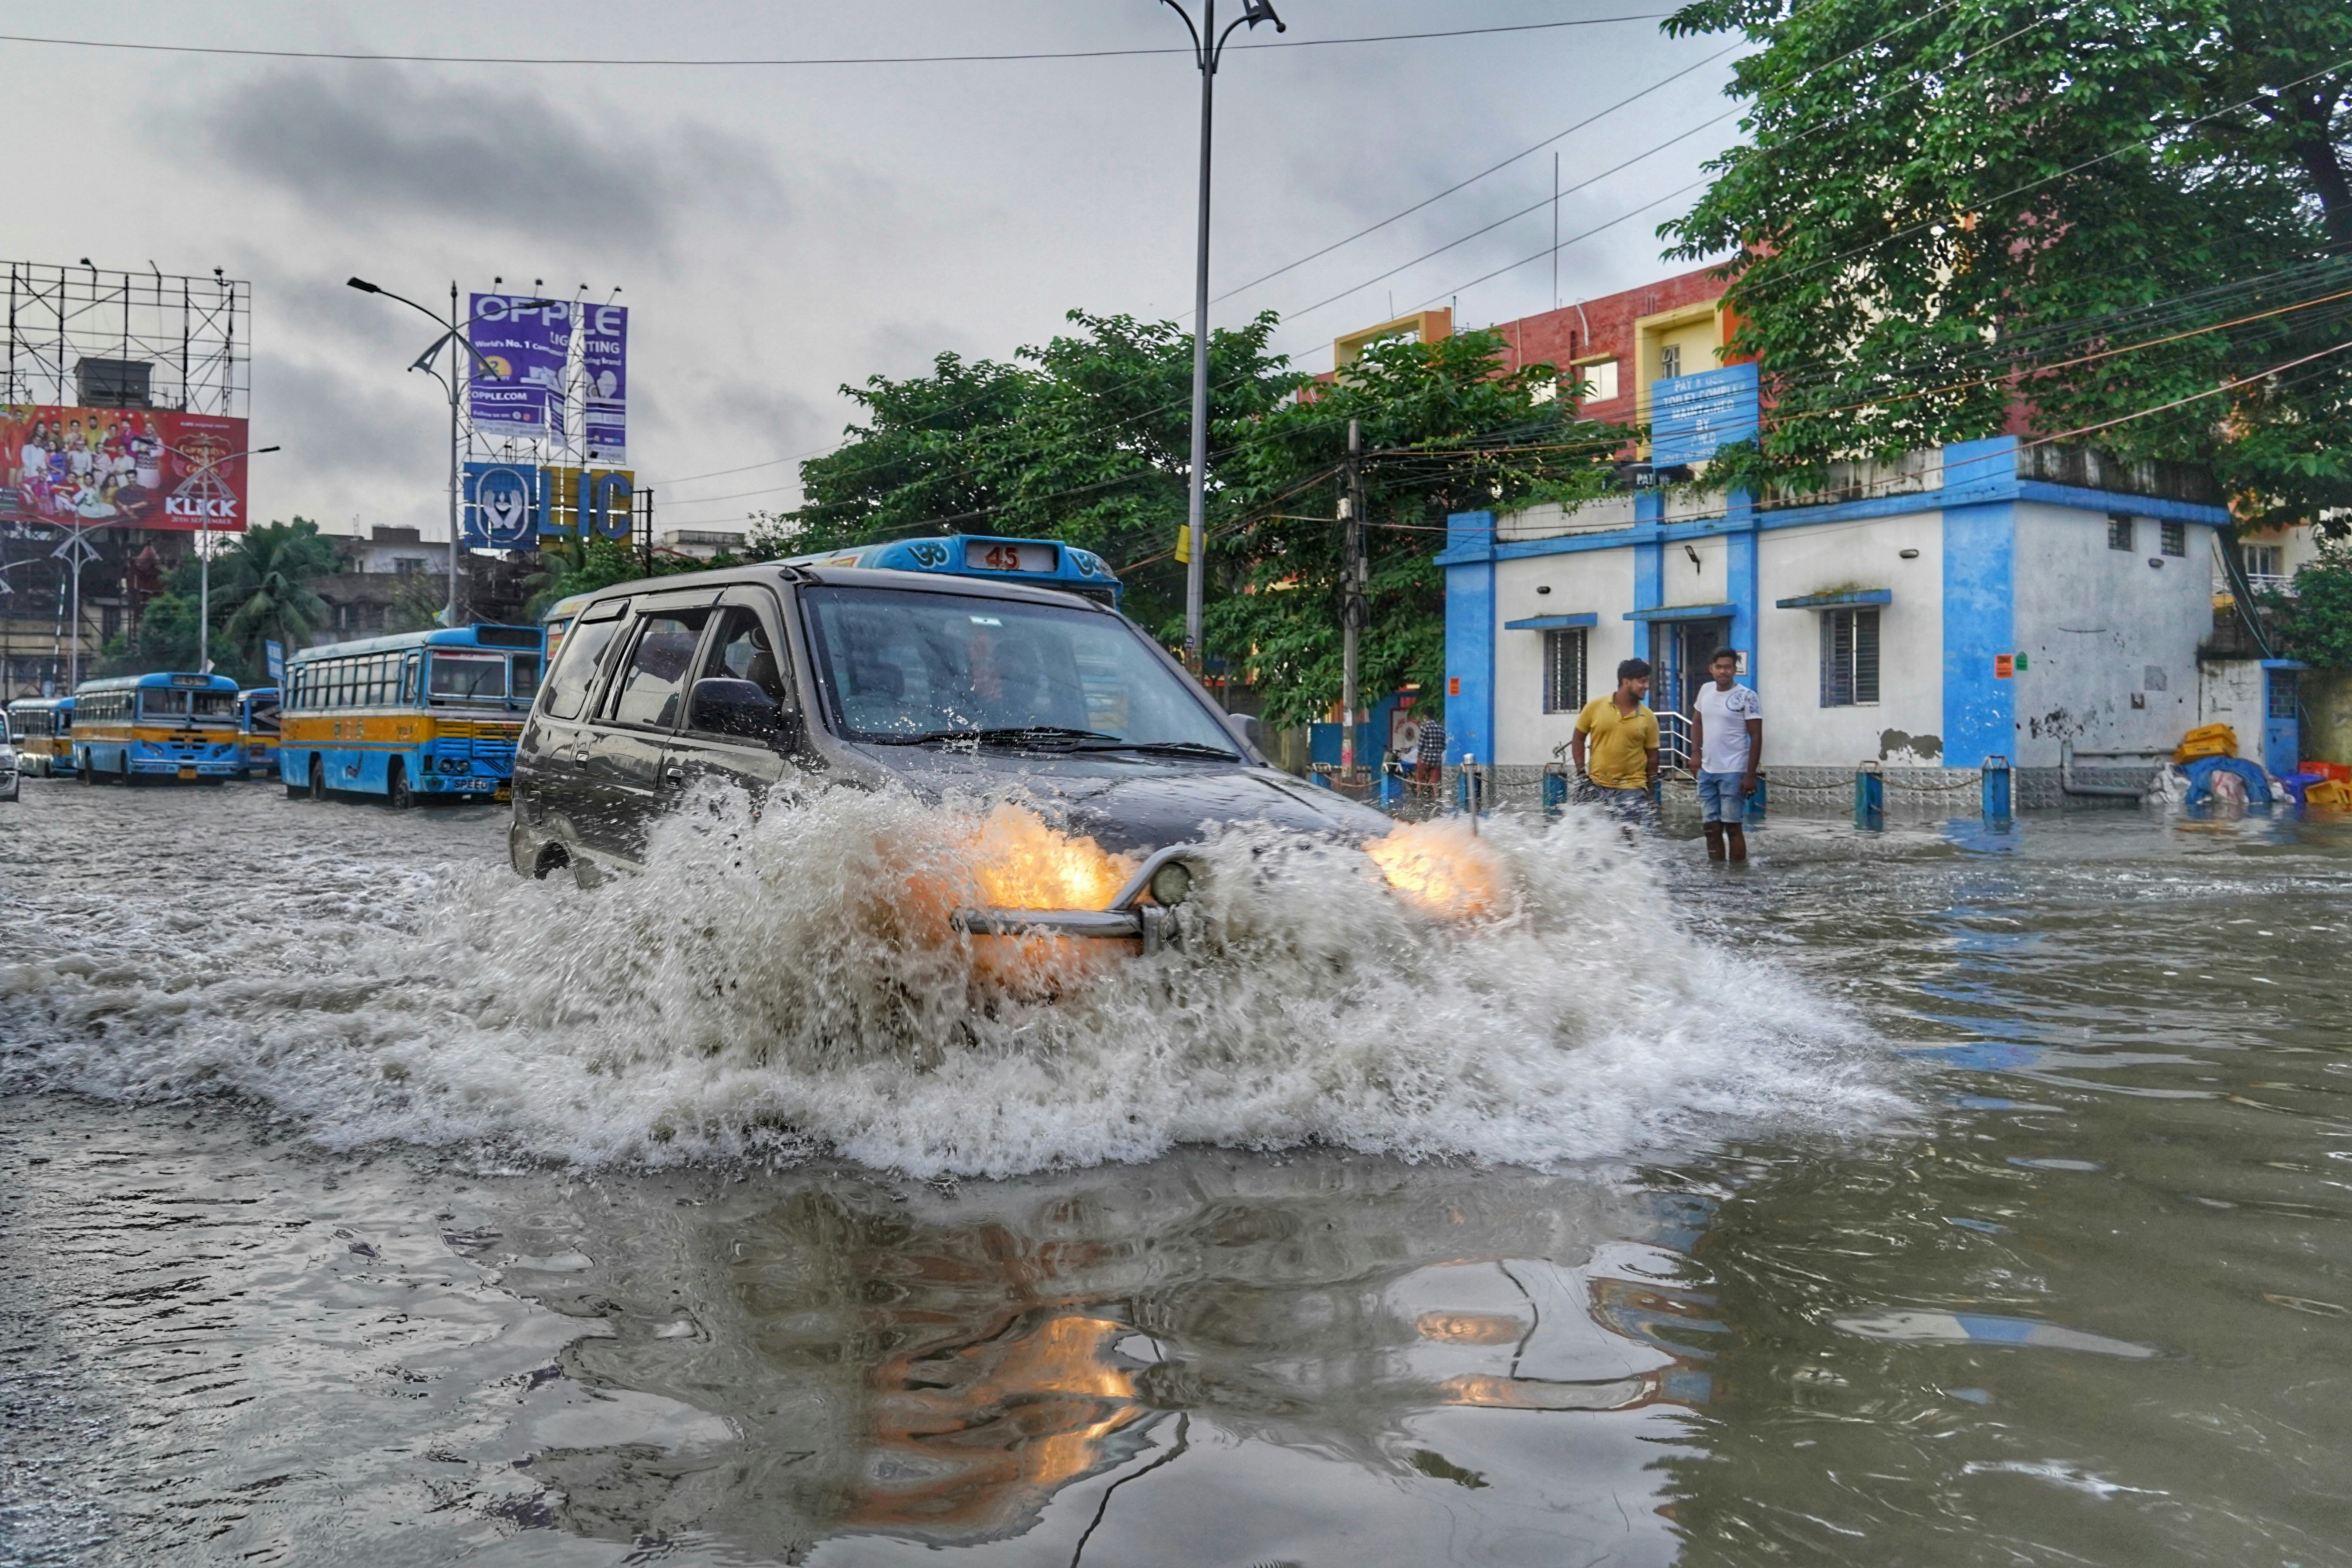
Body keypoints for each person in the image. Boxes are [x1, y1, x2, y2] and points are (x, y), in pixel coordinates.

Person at [1690, 648, 1763, 863]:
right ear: (1711, 669)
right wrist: (1695, 753)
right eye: (1719, 667)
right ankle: (1717, 874)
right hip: (1707, 770)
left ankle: (1737, 877)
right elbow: (1697, 722)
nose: (1724, 671)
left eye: (1728, 667)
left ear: (1735, 669)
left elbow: (1756, 736)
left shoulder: (1747, 696)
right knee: (1711, 829)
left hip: (1734, 770)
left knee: (1732, 827)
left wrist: (1750, 775)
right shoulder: (1705, 690)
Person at [1571, 658, 1660, 819]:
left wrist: (1651, 793)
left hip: (1632, 788)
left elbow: (1653, 757)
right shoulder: (1594, 707)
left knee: (1628, 838)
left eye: (1647, 682)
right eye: (1642, 682)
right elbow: (1578, 739)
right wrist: (1581, 774)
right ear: (1626, 682)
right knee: (1581, 833)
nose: (1647, 687)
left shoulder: (1649, 718)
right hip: (1595, 785)